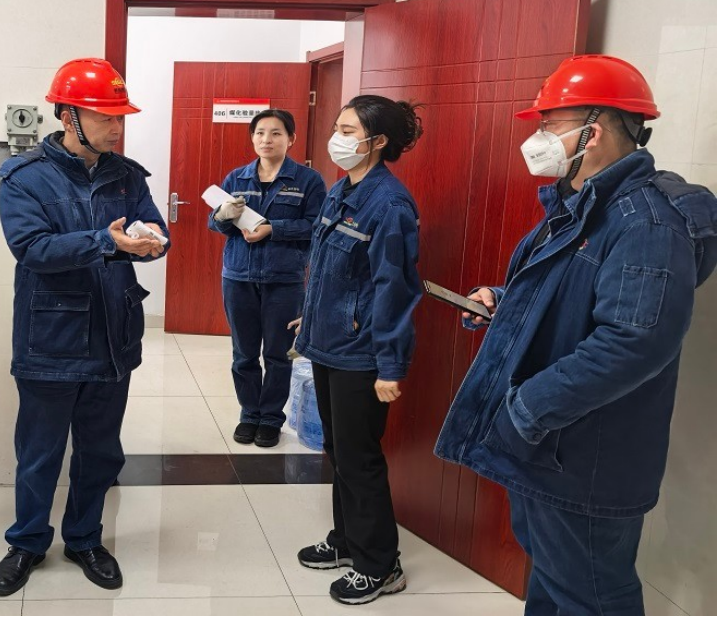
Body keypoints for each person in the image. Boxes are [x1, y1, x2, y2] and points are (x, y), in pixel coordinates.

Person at [435, 55, 717, 616]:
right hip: (550, 448)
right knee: (555, 583)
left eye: (549, 124)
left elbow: (633, 342)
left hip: (582, 458)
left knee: (591, 596)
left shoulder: (645, 223)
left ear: (595, 129)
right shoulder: (584, 204)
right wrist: (504, 301)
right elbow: (570, 292)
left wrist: (525, 410)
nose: (537, 138)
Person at [0, 58, 169, 597]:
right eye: (105, 117)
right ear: (68, 116)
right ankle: (26, 543)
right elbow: (32, 248)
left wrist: (152, 239)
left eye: (120, 118)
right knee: (39, 453)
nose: (117, 128)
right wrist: (106, 241)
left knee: (100, 451)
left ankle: (85, 538)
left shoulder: (127, 175)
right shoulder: (23, 177)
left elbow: (152, 226)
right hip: (50, 340)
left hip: (114, 335)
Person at [291, 95, 424, 605]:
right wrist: (312, 318)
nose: (337, 138)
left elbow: (394, 290)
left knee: (359, 457)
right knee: (338, 451)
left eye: (349, 130)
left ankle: (380, 565)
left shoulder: (390, 205)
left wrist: (389, 366)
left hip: (362, 353)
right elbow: (333, 272)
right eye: (338, 127)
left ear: (378, 141)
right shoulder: (341, 189)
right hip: (330, 343)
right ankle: (347, 541)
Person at [209, 109, 325, 447]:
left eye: (276, 133)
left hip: (284, 280)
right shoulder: (237, 178)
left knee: (277, 354)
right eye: (260, 133)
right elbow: (215, 224)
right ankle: (249, 413)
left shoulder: (308, 181)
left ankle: (271, 418)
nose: (266, 140)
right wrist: (222, 215)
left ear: (291, 139)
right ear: (252, 138)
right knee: (243, 353)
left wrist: (273, 229)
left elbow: (316, 226)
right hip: (238, 277)